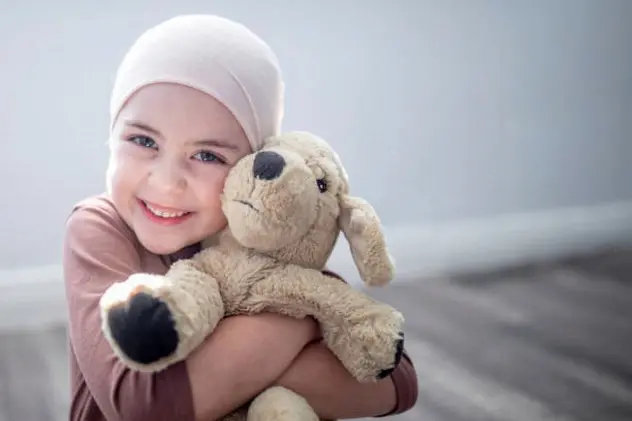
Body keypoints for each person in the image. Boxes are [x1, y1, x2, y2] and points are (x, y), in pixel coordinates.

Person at [62, 14, 418, 421]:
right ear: (111, 136)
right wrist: (299, 317)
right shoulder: (98, 228)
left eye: (207, 155)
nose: (167, 182)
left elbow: (395, 379)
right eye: (143, 140)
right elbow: (143, 407)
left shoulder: (263, 241)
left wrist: (219, 382)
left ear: (249, 166)